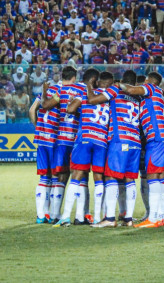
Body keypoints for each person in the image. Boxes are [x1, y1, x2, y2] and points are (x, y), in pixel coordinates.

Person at [83, 70, 141, 228]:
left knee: (110, 177)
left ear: (122, 80)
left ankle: (109, 218)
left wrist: (89, 87)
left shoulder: (116, 89)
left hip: (119, 139)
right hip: (135, 141)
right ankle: (128, 218)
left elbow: (93, 100)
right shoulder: (138, 96)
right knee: (130, 179)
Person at [121, 72, 164, 228]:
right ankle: (162, 216)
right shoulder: (158, 95)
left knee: (152, 176)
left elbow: (130, 90)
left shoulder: (150, 88)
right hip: (163, 138)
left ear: (149, 81)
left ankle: (153, 218)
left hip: (157, 138)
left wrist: (118, 85)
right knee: (160, 176)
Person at [53, 68, 103, 227]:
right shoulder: (105, 95)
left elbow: (69, 109)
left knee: (73, 175)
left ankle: (62, 215)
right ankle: (85, 216)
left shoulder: (79, 92)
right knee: (91, 178)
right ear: (95, 80)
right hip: (98, 140)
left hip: (78, 138)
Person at [29, 74, 61, 224]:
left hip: (42, 138)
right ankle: (54, 214)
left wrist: (38, 128)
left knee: (43, 177)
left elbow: (31, 110)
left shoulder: (43, 94)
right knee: (55, 178)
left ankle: (41, 215)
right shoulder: (61, 94)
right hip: (55, 140)